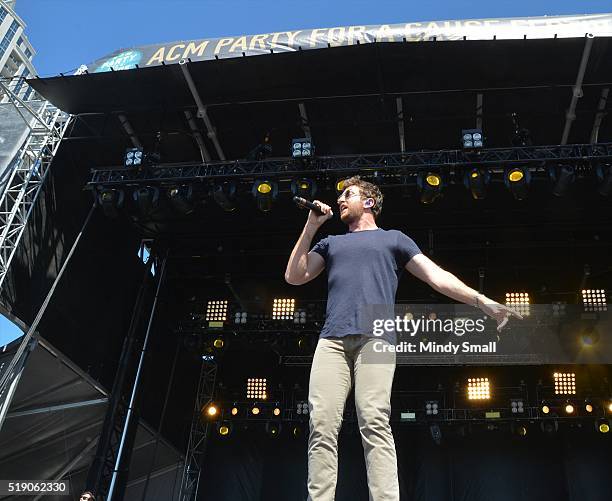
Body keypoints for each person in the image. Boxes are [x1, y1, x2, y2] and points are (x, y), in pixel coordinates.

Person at [285, 176, 522, 501]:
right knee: (321, 425)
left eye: (348, 194)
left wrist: (482, 301)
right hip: (332, 341)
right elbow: (294, 276)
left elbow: (437, 276)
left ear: (369, 202)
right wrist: (312, 226)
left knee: (373, 420)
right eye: (339, 196)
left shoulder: (393, 239)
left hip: (377, 339)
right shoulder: (331, 244)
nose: (340, 200)